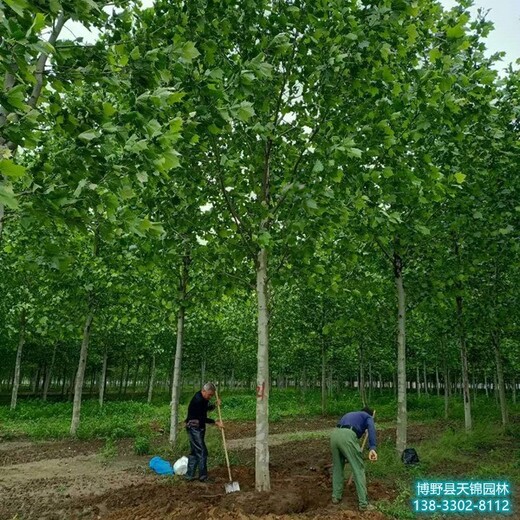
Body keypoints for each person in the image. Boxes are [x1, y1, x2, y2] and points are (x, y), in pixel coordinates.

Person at [330, 406, 377, 510]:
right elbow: (372, 430)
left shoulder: (350, 414)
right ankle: (363, 504)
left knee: (338, 468)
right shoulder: (368, 416)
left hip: (334, 435)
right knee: (358, 469)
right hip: (348, 436)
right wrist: (372, 448)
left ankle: (336, 497)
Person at [184, 382, 223, 482]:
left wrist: (214, 405)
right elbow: (202, 418)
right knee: (202, 451)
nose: (210, 397)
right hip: (194, 428)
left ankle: (189, 475)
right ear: (203, 391)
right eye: (209, 395)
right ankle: (203, 477)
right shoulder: (198, 400)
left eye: (212, 395)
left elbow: (205, 409)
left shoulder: (203, 398)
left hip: (198, 427)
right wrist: (215, 422)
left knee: (195, 452)